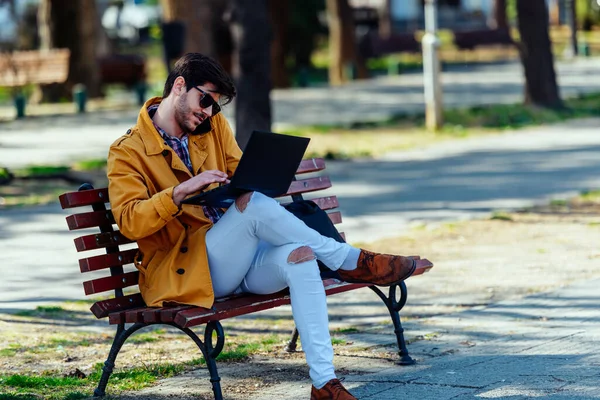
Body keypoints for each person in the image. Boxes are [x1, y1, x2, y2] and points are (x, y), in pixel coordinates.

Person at [107, 53, 432, 400]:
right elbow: (129, 221)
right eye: (205, 100)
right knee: (257, 207)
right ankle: (350, 261)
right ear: (179, 86)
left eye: (215, 107)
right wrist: (179, 192)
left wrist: (257, 176)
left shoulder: (211, 128)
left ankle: (324, 383)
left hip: (241, 259)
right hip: (190, 269)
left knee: (302, 255)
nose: (208, 112)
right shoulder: (128, 151)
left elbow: (238, 174)